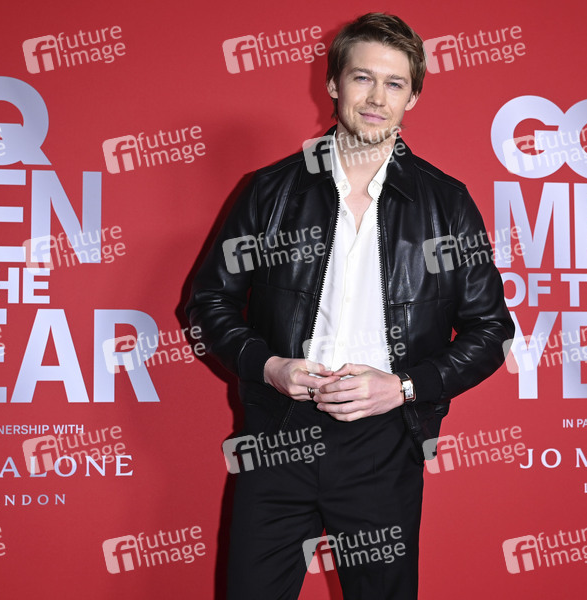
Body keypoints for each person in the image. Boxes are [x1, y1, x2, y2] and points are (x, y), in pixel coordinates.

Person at [186, 12, 513, 599]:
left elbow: (492, 331)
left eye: (394, 83)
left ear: (413, 96)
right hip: (279, 434)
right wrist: (268, 366)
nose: (377, 98)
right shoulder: (270, 191)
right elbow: (208, 302)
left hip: (383, 443)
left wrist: (404, 387)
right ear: (334, 84)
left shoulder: (446, 204)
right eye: (363, 78)